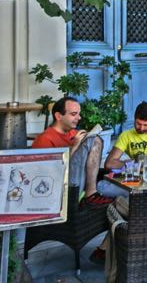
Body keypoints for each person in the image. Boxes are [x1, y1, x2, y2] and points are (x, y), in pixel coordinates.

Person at [32, 97, 114, 264]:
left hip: (78, 184)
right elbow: (49, 176)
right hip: (61, 189)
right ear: (58, 116)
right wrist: (75, 146)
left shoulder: (72, 133)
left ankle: (91, 195)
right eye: (73, 114)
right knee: (94, 140)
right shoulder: (44, 139)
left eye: (79, 114)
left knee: (94, 138)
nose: (79, 118)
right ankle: (90, 195)